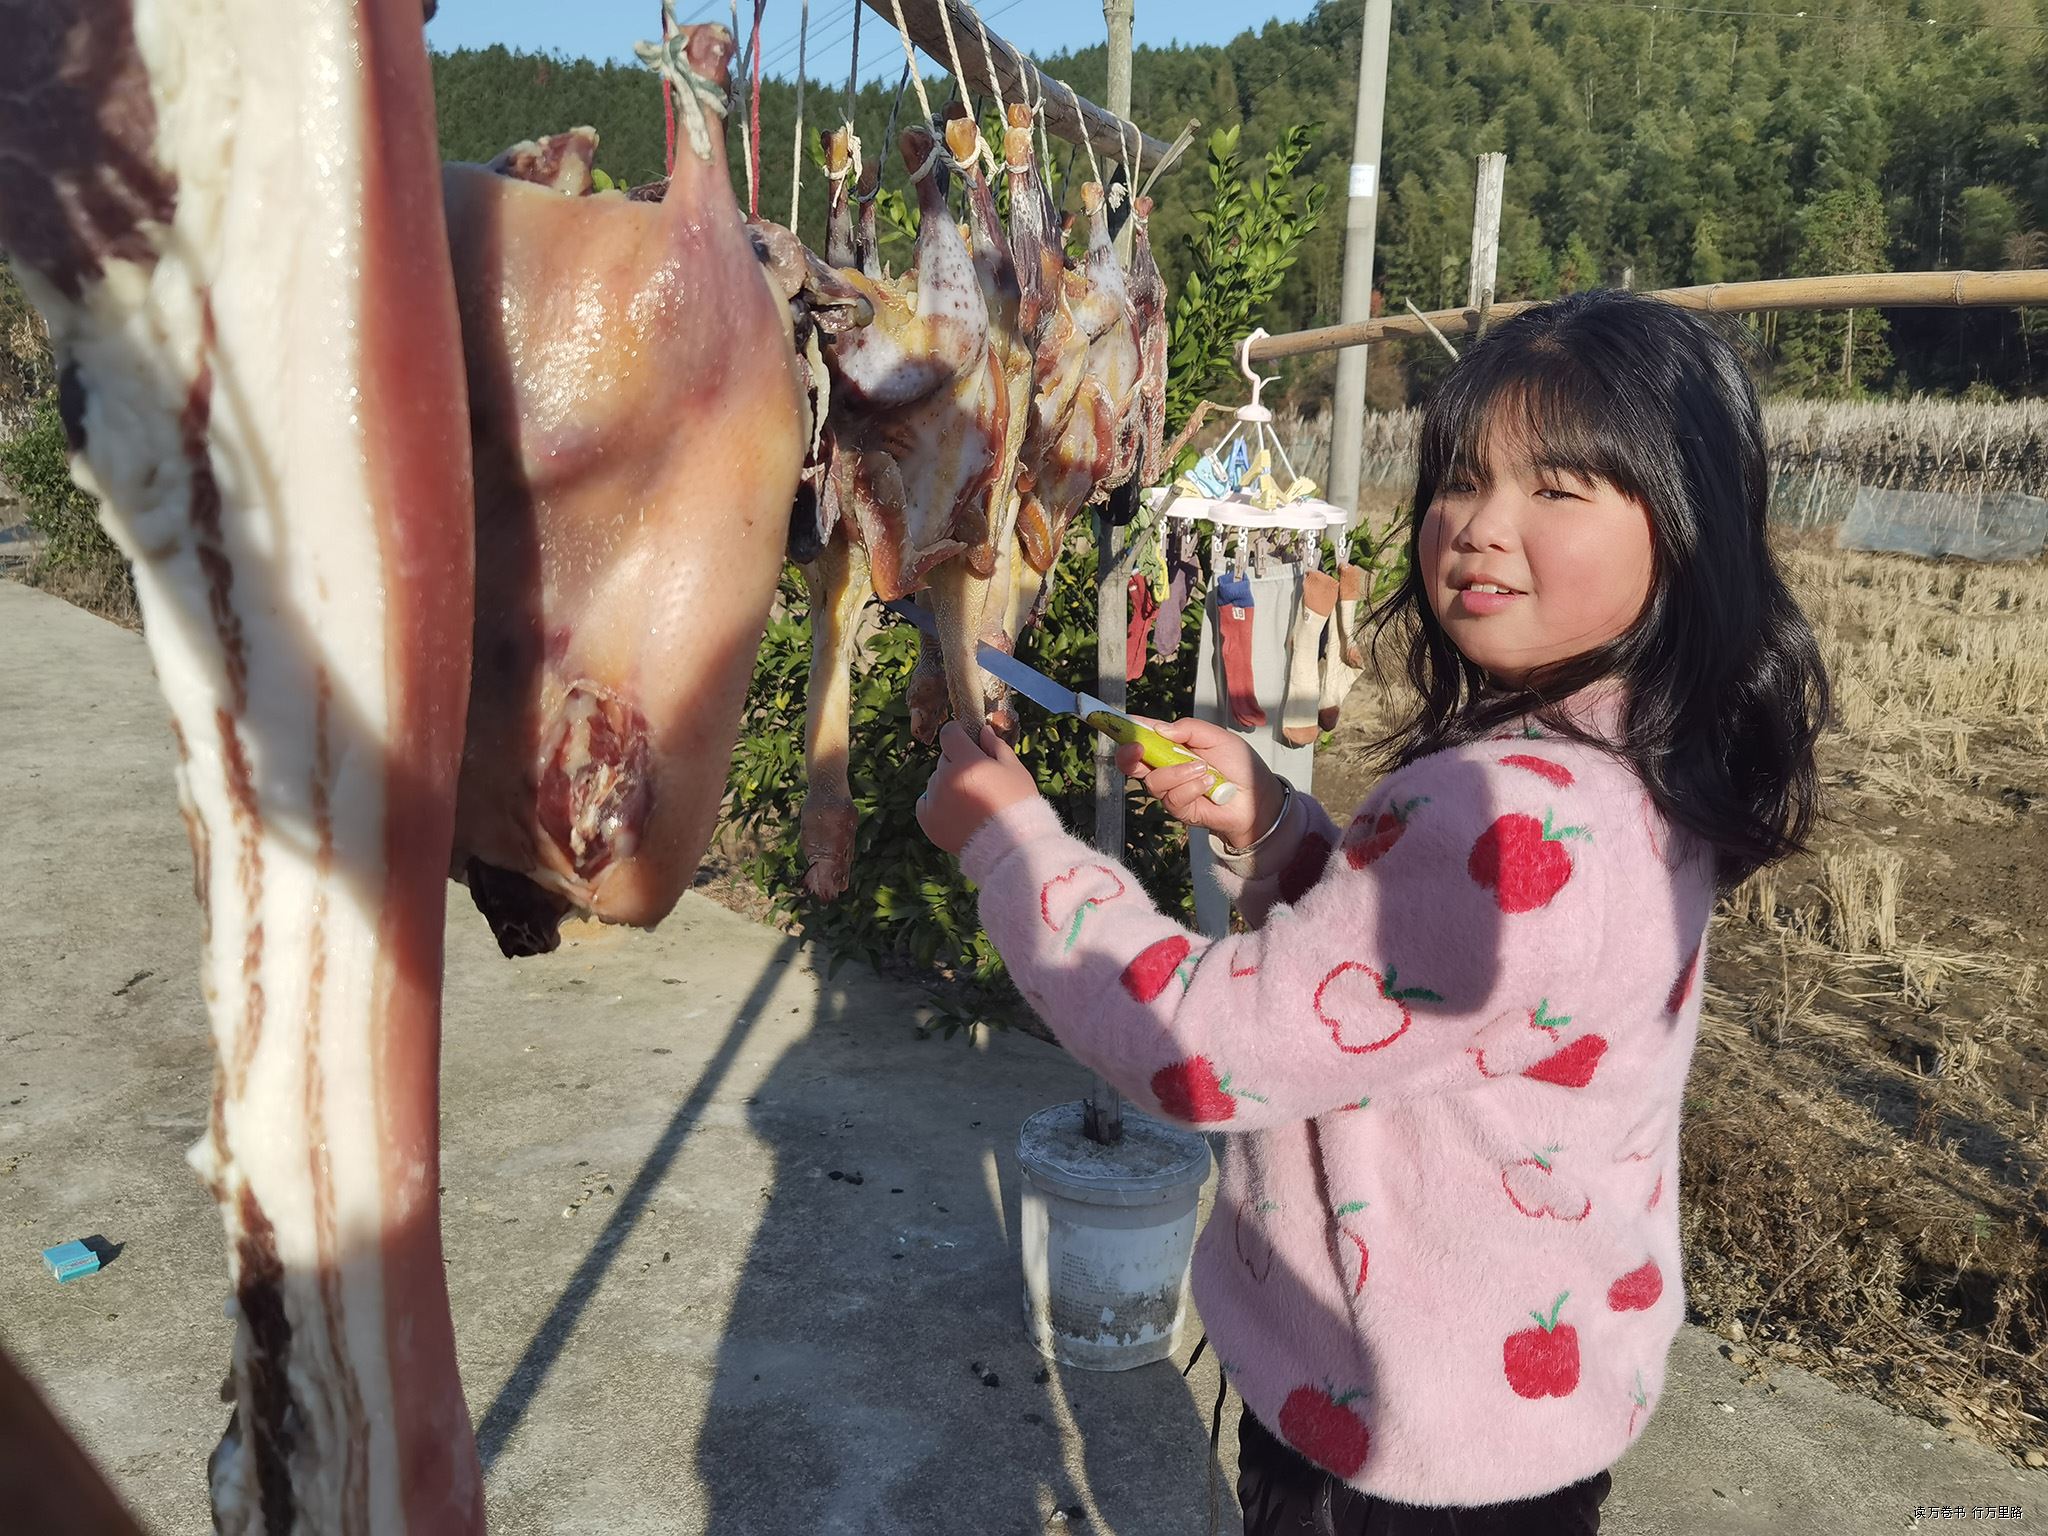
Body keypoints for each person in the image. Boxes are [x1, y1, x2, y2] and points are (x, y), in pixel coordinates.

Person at [916, 289, 1827, 1533]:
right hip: (1524, 1419)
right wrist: (1281, 832)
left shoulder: (1492, 801)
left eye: (1556, 490)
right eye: (1458, 480)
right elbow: (1449, 992)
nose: (1476, 530)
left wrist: (1009, 848)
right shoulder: (1638, 770)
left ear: (1683, 527)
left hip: (1382, 1439)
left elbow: (1205, 1048)